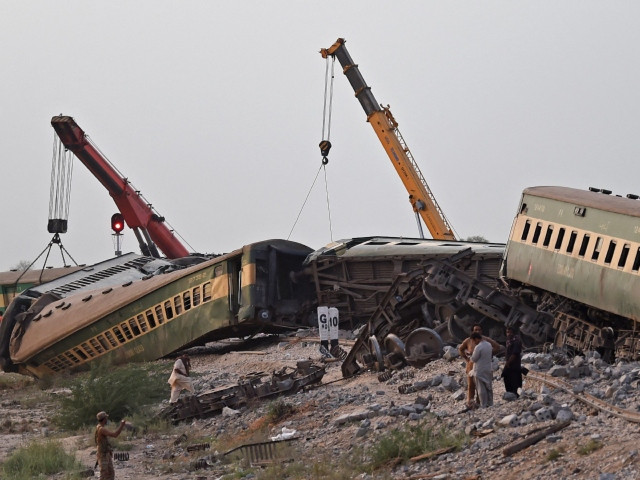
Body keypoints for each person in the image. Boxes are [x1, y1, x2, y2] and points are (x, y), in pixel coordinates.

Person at [458, 324, 502, 408]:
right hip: (471, 365)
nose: (477, 331)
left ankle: (480, 403)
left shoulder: (486, 340)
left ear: (482, 331)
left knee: (481, 386)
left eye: (479, 330)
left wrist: (488, 355)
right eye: (475, 330)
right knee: (471, 385)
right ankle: (470, 403)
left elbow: (497, 347)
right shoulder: (468, 340)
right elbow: (460, 349)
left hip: (481, 366)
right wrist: (466, 358)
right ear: (473, 331)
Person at [95, 411, 126, 480]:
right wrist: (122, 425)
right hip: (103, 454)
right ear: (104, 419)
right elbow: (115, 435)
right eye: (106, 418)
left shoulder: (99, 427)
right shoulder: (101, 429)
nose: (107, 420)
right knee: (104, 474)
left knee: (111, 473)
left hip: (106, 453)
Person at [469, 332, 494, 408]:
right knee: (488, 387)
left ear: (476, 339)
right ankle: (491, 403)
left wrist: (470, 355)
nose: (474, 343)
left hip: (479, 370)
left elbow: (474, 359)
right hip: (488, 368)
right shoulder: (489, 344)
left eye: (473, 341)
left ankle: (483, 404)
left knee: (481, 388)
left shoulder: (478, 347)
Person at [502, 326, 524, 397]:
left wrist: (508, 363)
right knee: (508, 379)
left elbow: (514, 354)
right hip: (511, 365)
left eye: (510, 332)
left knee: (514, 380)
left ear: (513, 333)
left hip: (514, 365)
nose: (509, 334)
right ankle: (511, 394)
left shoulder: (516, 342)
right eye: (507, 332)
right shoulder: (509, 341)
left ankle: (515, 395)